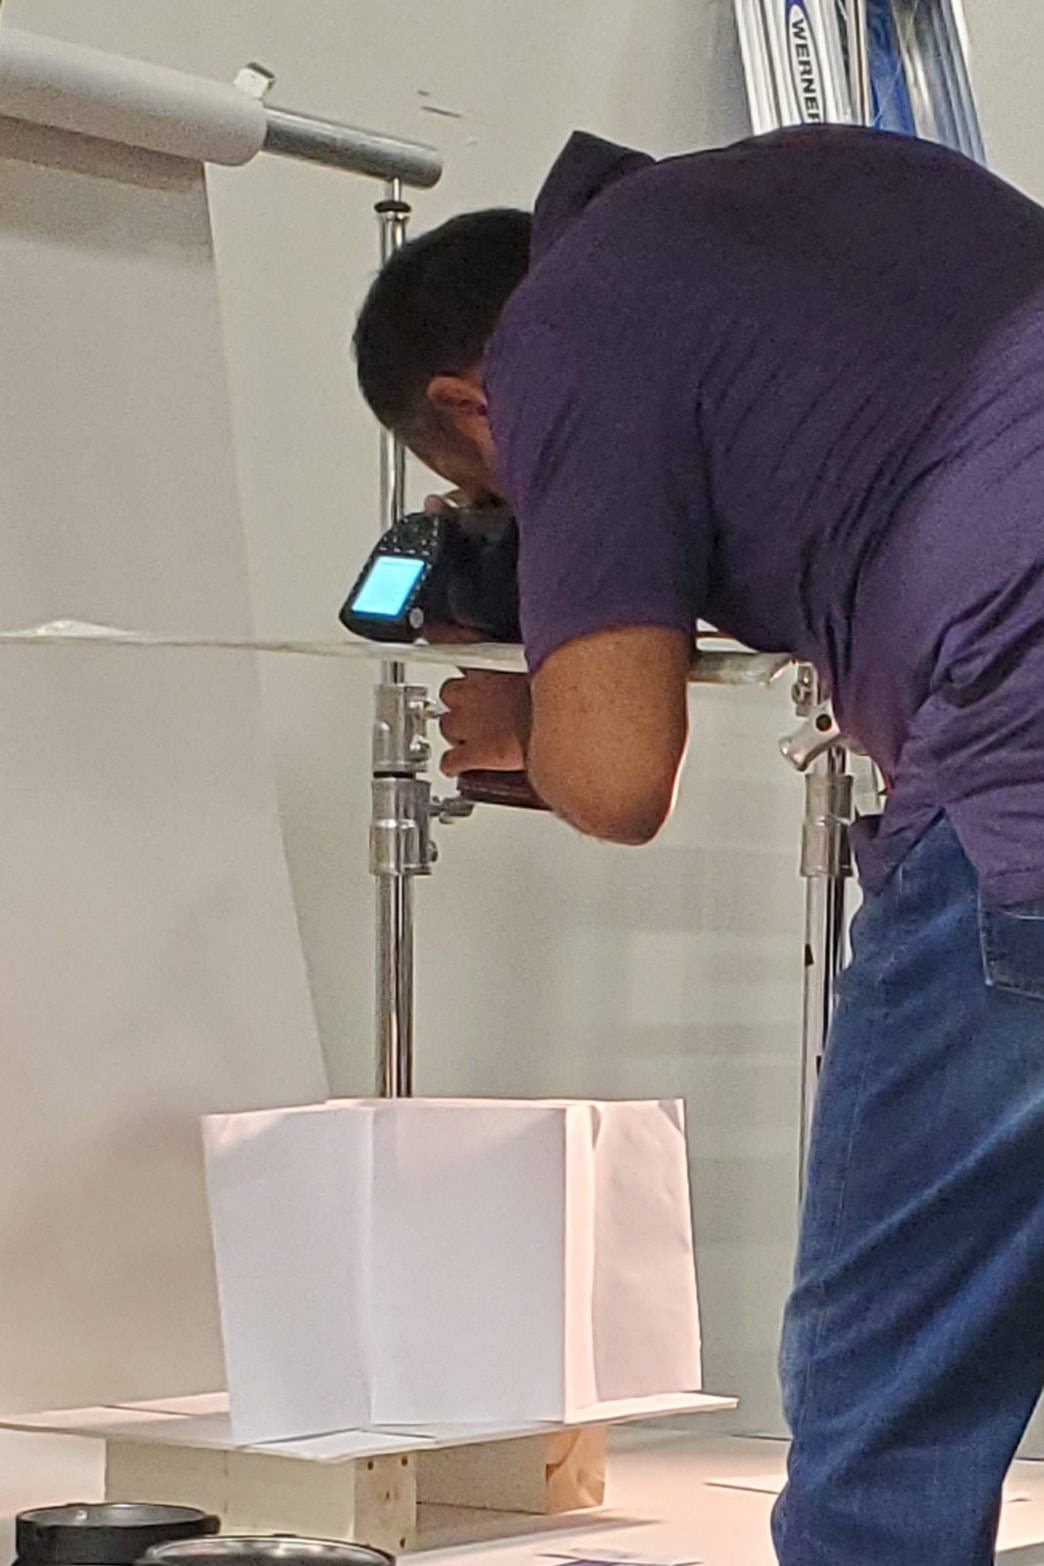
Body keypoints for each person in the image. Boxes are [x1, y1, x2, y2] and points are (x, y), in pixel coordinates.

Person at [353, 123, 1044, 1565]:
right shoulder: (804, 188)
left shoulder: (566, 332)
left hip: (1020, 749)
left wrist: (526, 719)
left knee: (881, 1402)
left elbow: (616, 776)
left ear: (469, 406)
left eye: (500, 491)